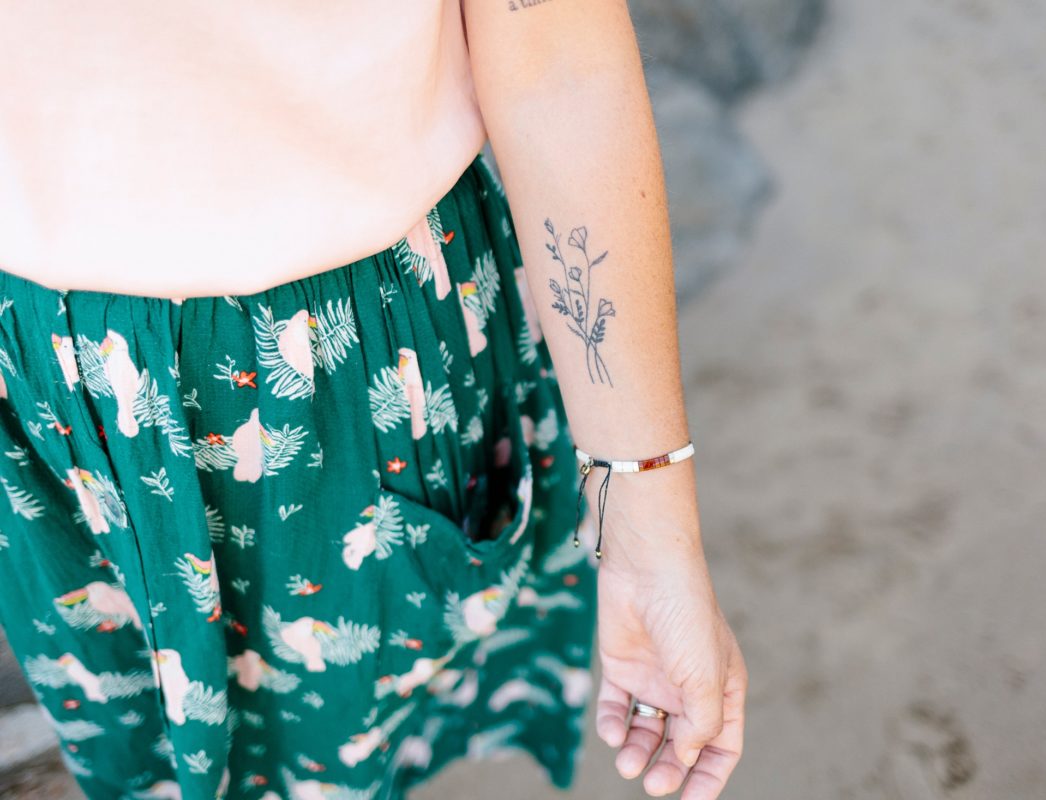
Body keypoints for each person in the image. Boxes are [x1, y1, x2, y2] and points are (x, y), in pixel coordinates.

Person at [0, 1, 747, 798]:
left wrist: (650, 533)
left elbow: (555, 56)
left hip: (342, 365)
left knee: (341, 749)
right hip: (29, 369)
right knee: (127, 735)